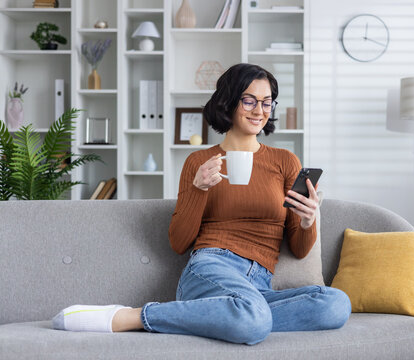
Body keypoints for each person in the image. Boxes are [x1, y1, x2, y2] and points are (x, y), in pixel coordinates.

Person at [52, 63, 351, 344]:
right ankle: (134, 316)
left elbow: (299, 250)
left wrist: (309, 221)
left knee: (336, 304)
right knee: (254, 319)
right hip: (211, 266)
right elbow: (179, 242)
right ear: (229, 103)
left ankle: (225, 316)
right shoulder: (199, 161)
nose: (259, 110)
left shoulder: (286, 161)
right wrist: (198, 189)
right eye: (249, 100)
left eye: (266, 101)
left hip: (259, 284)